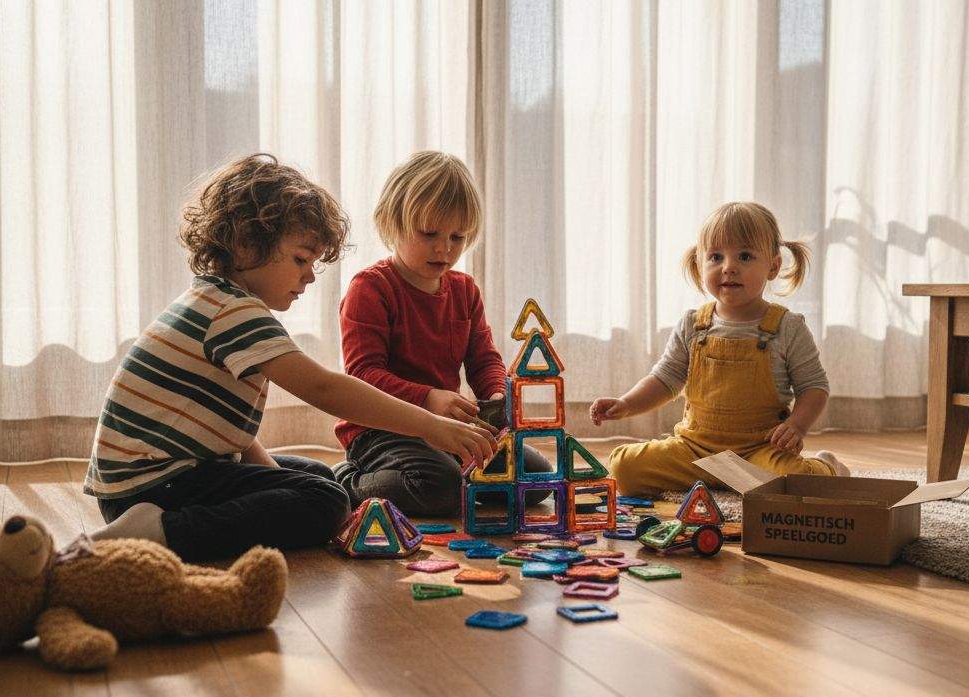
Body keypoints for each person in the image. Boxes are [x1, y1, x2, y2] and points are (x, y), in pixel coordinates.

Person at [84, 153, 496, 561]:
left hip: (157, 479)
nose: (310, 275)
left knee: (315, 477)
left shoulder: (216, 301)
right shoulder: (234, 311)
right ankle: (160, 534)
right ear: (245, 245)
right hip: (154, 486)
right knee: (324, 500)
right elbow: (323, 387)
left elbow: (232, 435)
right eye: (301, 259)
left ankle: (159, 523)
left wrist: (277, 481)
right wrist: (430, 425)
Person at [332, 150, 553, 517]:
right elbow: (363, 376)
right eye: (429, 233)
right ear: (390, 222)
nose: (444, 248)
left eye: (458, 236)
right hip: (380, 430)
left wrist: (497, 395)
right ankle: (346, 478)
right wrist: (429, 398)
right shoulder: (370, 289)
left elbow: (484, 359)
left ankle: (459, 478)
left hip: (449, 429)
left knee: (535, 478)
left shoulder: (464, 289)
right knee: (439, 489)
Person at [589, 201, 850, 497]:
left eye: (745, 256)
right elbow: (665, 379)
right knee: (624, 468)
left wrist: (797, 426)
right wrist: (626, 404)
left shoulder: (787, 327)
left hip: (759, 451)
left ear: (773, 267)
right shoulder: (693, 325)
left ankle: (827, 466)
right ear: (700, 267)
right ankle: (722, 480)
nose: (729, 267)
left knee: (800, 483)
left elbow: (814, 387)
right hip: (696, 450)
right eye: (715, 257)